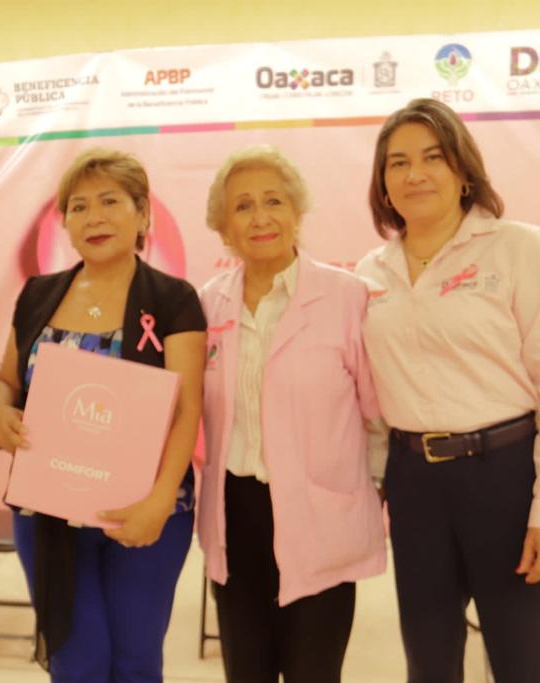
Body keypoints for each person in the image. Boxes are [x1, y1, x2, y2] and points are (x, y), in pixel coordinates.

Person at [356, 97, 540, 682]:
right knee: (429, 662)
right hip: (415, 484)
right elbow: (372, 397)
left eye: (433, 157)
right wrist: (378, 482)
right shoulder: (370, 273)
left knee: (526, 664)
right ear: (383, 183)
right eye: (398, 163)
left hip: (506, 477)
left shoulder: (518, 247)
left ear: (463, 170)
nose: (415, 174)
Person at [0, 148, 206, 683]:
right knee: (76, 663)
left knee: (135, 663)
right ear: (64, 222)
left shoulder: (173, 299)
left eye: (110, 201)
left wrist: (159, 502)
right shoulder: (38, 294)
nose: (94, 218)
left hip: (144, 510)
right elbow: (6, 380)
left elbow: (187, 409)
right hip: (48, 512)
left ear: (142, 213)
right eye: (79, 207)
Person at [196, 145, 386, 683]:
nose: (261, 218)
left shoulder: (348, 298)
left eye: (274, 201)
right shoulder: (207, 304)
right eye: (243, 206)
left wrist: (369, 489)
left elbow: (378, 414)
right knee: (246, 672)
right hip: (236, 514)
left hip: (319, 515)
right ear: (223, 227)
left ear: (297, 212)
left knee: (314, 673)